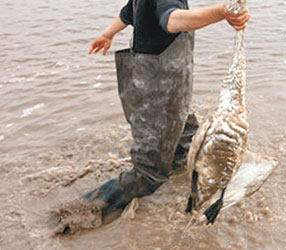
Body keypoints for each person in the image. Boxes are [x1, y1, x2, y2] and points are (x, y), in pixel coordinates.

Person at [57, 0, 250, 233]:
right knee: (148, 174)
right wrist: (221, 12)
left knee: (187, 141)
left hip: (156, 86)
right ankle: (81, 212)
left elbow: (128, 12)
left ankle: (184, 183)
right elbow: (172, 21)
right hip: (159, 94)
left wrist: (107, 35)